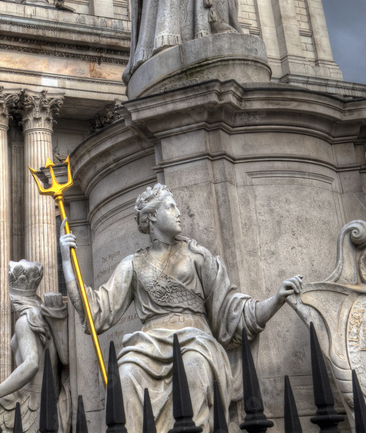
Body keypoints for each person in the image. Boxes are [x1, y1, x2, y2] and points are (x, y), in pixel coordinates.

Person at [60, 183, 302, 433]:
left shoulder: (198, 256)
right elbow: (98, 311)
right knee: (124, 375)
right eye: (170, 206)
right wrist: (67, 263)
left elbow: (232, 312)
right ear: (152, 216)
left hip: (195, 340)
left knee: (193, 365)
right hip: (148, 347)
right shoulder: (133, 264)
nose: (178, 212)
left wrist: (275, 300)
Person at [0, 260, 70, 433]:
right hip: (47, 400)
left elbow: (31, 364)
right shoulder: (44, 317)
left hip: (30, 404)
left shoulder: (24, 321)